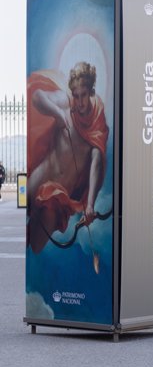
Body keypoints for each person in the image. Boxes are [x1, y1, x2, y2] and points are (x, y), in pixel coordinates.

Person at [26, 62, 109, 263]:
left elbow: (96, 162)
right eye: (76, 95)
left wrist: (89, 205)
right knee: (26, 222)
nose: (79, 102)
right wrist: (57, 112)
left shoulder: (98, 121)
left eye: (84, 95)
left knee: (36, 244)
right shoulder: (67, 101)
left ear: (91, 91)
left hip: (57, 197)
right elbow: (38, 97)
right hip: (43, 174)